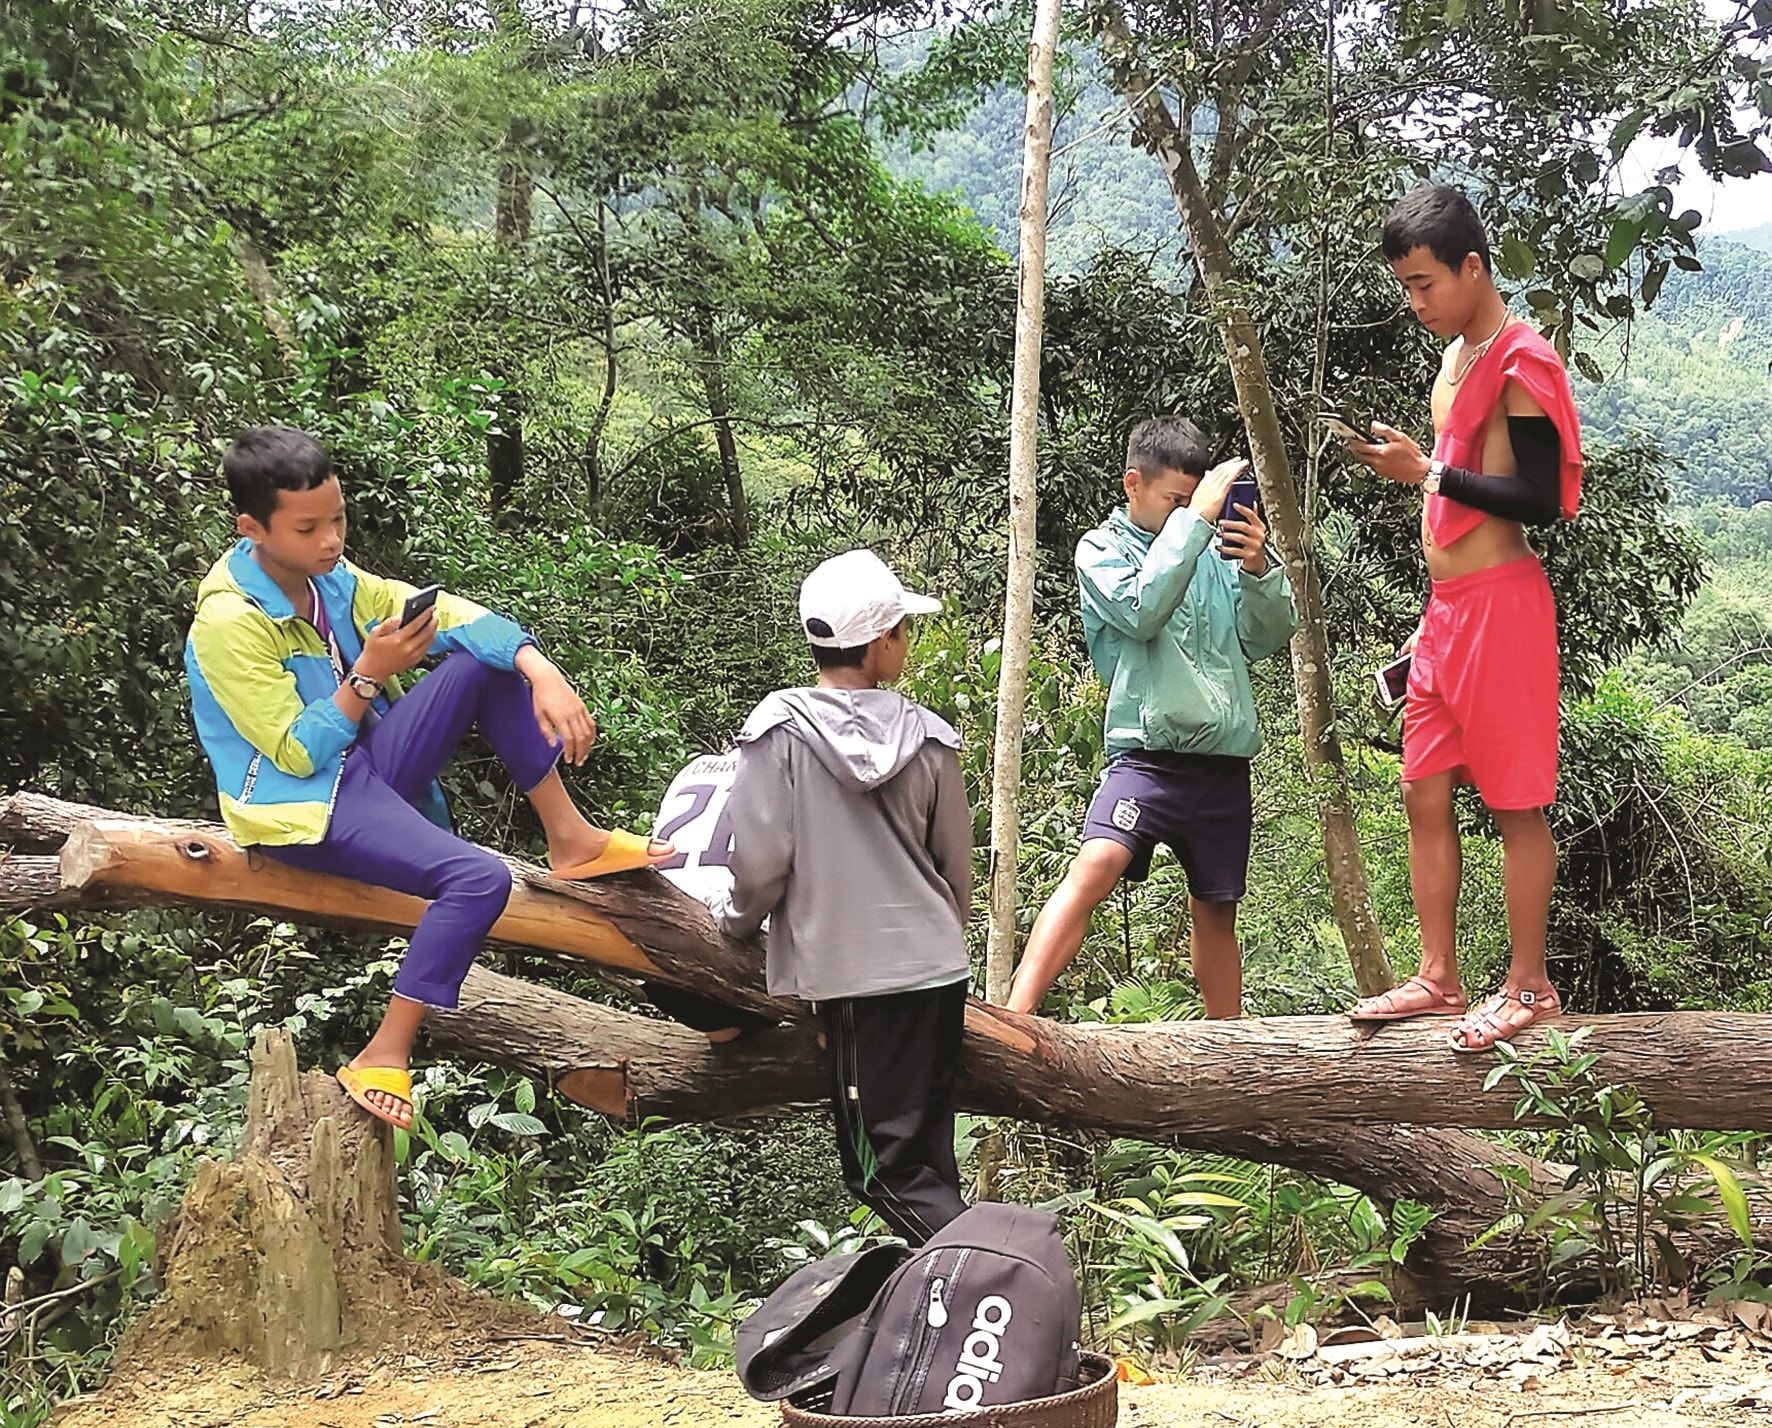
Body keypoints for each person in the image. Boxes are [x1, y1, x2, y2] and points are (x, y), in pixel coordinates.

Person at [187, 426, 669, 1131]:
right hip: (305, 808)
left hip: (366, 766)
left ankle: (572, 841)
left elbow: (452, 616)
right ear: (252, 529)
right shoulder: (228, 623)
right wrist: (368, 675)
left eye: (338, 519)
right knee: (479, 879)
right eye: (309, 527)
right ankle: (383, 1051)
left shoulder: (336, 583)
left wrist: (541, 669)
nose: (330, 540)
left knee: (484, 661)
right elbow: (296, 752)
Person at [1345, 184, 1583, 1051]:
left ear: (1472, 267)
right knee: (1421, 787)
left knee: (1516, 804)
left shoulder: (1525, 359)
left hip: (1504, 612)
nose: (1415, 304)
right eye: (1406, 287)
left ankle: (1528, 987)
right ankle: (1439, 978)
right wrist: (1427, 612)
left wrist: (1426, 476)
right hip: (1445, 614)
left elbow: (1537, 499)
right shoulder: (1455, 358)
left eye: (1424, 284)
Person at [716, 549, 973, 1245]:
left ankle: (1002, 1281)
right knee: (924, 1163)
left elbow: (762, 864)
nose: (906, 646)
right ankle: (971, 1309)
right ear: (882, 640)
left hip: (859, 982)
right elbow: (956, 868)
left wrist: (734, 925)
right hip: (937, 972)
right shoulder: (931, 739)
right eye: (903, 632)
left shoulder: (777, 734)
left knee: (881, 1174)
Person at [1005, 417, 1296, 1018]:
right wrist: (1193, 528)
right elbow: (1141, 610)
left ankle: (1229, 1049)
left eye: (1195, 500)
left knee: (1216, 908)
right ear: (1133, 484)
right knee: (1096, 865)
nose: (1190, 511)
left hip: (1221, 763)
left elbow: (1263, 638)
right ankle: (1014, 1017)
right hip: (1148, 756)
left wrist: (1259, 572)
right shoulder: (1101, 550)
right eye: (1176, 501)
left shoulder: (1211, 550)